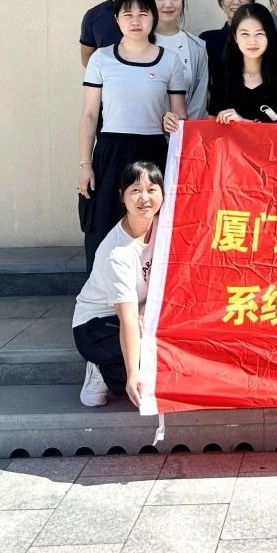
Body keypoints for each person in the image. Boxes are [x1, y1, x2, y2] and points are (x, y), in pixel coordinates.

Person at [78, 0, 186, 271]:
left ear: (153, 18)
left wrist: (173, 122)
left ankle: (147, 295)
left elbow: (180, 115)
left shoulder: (170, 60)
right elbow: (89, 115)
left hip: (153, 153)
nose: (136, 20)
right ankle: (102, 295)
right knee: (104, 225)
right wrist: (85, 165)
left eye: (143, 13)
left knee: (153, 229)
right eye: (128, 14)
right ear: (117, 20)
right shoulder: (101, 59)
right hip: (110, 152)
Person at [74, 160, 163, 409]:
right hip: (96, 325)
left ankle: (119, 369)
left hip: (140, 311)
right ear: (122, 196)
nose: (144, 198)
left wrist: (147, 309)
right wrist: (133, 374)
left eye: (152, 189)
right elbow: (128, 320)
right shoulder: (117, 252)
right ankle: (101, 370)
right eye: (135, 190)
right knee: (150, 357)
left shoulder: (165, 228)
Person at [208, 3, 277, 125]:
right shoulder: (222, 80)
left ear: (269, 36)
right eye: (245, 34)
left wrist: (244, 123)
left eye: (259, 33)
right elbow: (212, 131)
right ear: (235, 37)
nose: (252, 41)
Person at [145, 0, 209, 120]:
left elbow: (199, 101)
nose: (168, 4)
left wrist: (181, 129)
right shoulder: (137, 43)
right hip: (144, 131)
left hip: (185, 131)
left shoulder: (197, 47)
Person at [200, 0, 256, 94]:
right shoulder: (208, 39)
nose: (236, 2)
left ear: (252, 0)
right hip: (218, 105)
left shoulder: (260, 39)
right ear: (221, 0)